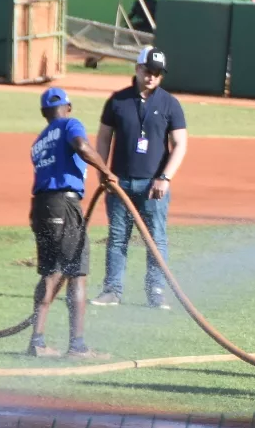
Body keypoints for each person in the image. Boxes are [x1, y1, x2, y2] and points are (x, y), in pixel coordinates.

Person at [90, 46, 188, 310]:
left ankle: (156, 291)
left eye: (157, 73)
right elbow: (103, 137)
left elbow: (180, 143)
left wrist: (165, 177)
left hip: (153, 186)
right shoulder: (118, 101)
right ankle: (112, 290)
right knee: (118, 237)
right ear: (137, 68)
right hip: (120, 183)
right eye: (148, 71)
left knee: (156, 239)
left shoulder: (170, 103)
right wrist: (103, 172)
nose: (152, 77)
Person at [27, 88, 117, 357]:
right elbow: (81, 146)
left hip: (40, 206)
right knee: (75, 272)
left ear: (44, 113)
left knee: (50, 271)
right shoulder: (70, 124)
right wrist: (107, 171)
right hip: (64, 205)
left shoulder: (39, 141)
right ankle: (77, 346)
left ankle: (37, 342)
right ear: (69, 107)